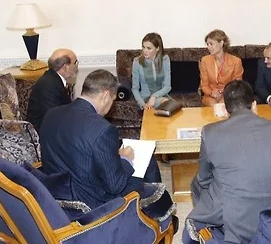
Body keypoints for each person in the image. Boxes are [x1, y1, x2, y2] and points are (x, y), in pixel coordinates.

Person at [186, 80, 271, 244]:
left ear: (224, 109)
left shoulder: (210, 132)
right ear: (254, 105)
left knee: (196, 185)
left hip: (237, 227)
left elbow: (204, 179)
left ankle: (213, 224)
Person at [40, 69, 166, 208]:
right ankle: (157, 212)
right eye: (113, 100)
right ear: (106, 95)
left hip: (57, 194)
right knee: (146, 158)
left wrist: (112, 156)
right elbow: (115, 185)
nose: (111, 106)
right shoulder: (103, 129)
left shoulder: (51, 114)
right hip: (91, 201)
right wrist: (125, 159)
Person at [27, 48, 78, 132]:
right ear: (65, 67)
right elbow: (55, 119)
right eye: (75, 62)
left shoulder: (53, 79)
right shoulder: (49, 85)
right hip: (44, 136)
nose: (76, 66)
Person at [199, 29, 243, 106]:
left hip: (229, 94)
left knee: (222, 105)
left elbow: (236, 85)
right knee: (213, 105)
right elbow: (204, 85)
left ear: (221, 43)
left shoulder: (236, 61)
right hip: (210, 95)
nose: (209, 47)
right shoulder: (205, 60)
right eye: (207, 44)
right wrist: (212, 93)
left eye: (211, 44)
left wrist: (221, 92)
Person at [132, 33, 171, 110]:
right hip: (145, 99)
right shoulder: (137, 62)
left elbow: (167, 86)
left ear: (157, 48)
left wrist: (154, 96)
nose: (145, 51)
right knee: (167, 104)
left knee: (173, 107)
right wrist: (142, 104)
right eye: (143, 47)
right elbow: (135, 88)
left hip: (162, 96)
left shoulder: (165, 59)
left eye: (149, 48)